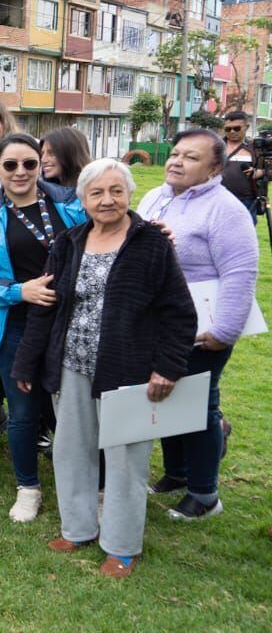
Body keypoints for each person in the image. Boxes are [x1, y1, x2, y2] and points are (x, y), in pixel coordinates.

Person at [13, 159, 195, 578]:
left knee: (127, 459)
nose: (107, 200)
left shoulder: (151, 243)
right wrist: (27, 360)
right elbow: (46, 306)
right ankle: (77, 528)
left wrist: (168, 367)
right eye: (96, 192)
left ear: (130, 195)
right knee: (71, 449)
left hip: (128, 368)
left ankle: (122, 545)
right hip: (71, 363)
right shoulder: (69, 241)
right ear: (82, 199)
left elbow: (179, 313)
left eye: (116, 191)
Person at [0, 133, 86, 523]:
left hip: (71, 324)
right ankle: (28, 487)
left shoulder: (69, 205)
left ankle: (87, 485)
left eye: (29, 163)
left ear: (40, 164)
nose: (20, 172)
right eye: (10, 165)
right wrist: (19, 292)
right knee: (24, 410)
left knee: (77, 409)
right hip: (14, 328)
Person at [139, 129, 259, 521]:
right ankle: (177, 473)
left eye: (190, 157)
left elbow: (241, 273)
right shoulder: (155, 197)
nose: (176, 161)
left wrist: (224, 332)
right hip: (159, 323)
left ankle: (205, 494)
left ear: (214, 168)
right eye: (175, 153)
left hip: (203, 327)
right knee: (167, 396)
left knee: (200, 406)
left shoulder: (225, 209)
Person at [218, 111, 263, 221]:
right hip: (218, 200)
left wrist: (258, 173)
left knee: (244, 236)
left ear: (246, 127)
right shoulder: (215, 146)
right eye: (228, 129)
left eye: (237, 128)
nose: (232, 132)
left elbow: (268, 171)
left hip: (247, 201)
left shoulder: (255, 148)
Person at [40, 126, 93, 191]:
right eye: (42, 153)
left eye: (52, 153)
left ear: (71, 154)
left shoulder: (93, 189)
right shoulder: (44, 193)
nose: (43, 160)